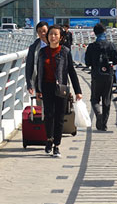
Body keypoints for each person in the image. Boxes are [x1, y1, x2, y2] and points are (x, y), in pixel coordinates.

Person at [35, 25, 83, 157]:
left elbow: (71, 72)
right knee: (49, 114)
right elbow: (38, 72)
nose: (53, 36)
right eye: (51, 34)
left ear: (61, 37)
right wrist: (38, 89)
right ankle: (49, 139)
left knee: (60, 117)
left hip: (61, 88)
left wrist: (78, 90)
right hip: (46, 86)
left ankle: (57, 144)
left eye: (56, 34)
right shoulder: (42, 52)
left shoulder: (65, 52)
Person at [85, 23, 117, 131]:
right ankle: (104, 124)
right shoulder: (111, 45)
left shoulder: (92, 46)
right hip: (108, 75)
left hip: (96, 75)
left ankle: (98, 114)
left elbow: (87, 62)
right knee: (107, 99)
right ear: (104, 31)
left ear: (95, 33)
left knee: (94, 99)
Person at [25, 21, 49, 97]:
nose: (42, 34)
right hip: (39, 82)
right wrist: (29, 84)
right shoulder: (33, 48)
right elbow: (29, 66)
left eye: (44, 31)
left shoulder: (56, 45)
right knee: (42, 106)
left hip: (55, 82)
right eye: (39, 32)